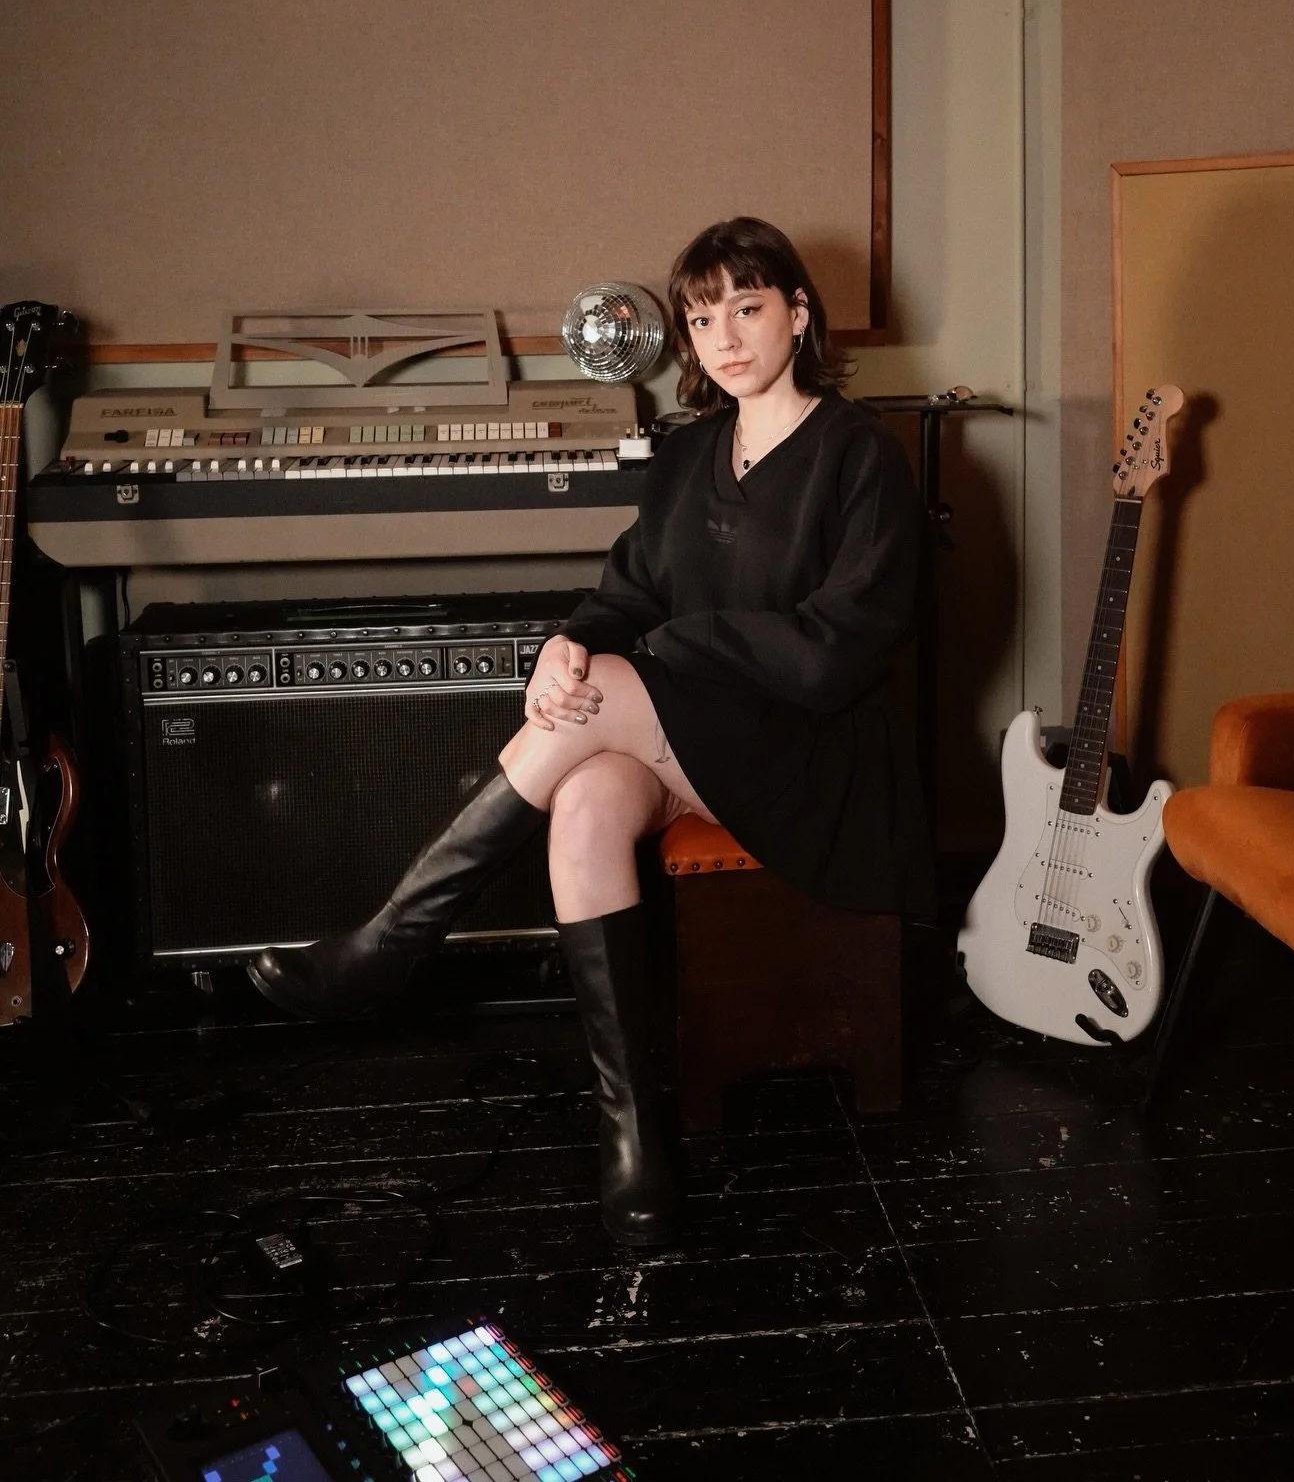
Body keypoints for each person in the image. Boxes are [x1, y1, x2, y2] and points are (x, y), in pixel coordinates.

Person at [248, 217, 933, 1248]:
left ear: (799, 314)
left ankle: (394, 943)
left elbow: (835, 654)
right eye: (701, 319)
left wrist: (662, 649)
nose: (724, 338)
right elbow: (630, 594)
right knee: (584, 801)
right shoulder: (689, 452)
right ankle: (635, 1132)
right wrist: (568, 644)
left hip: (811, 757)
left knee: (612, 694)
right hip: (694, 743)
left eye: (748, 309)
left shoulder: (860, 455)